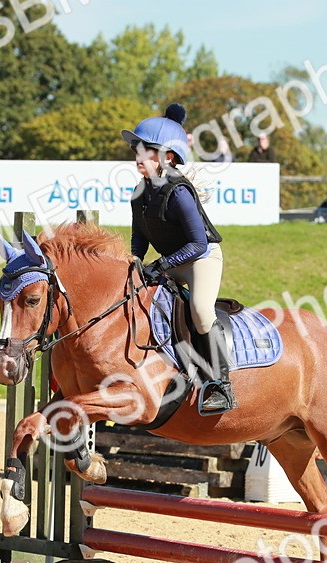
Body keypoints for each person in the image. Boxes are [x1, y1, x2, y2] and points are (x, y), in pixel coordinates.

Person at [121, 103, 235, 415]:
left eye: (146, 150)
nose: (138, 157)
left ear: (167, 157)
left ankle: (221, 385)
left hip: (201, 258)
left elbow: (198, 243)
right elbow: (139, 235)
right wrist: (136, 259)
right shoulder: (139, 191)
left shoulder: (179, 192)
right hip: (172, 259)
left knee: (199, 311)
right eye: (138, 150)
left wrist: (162, 265)